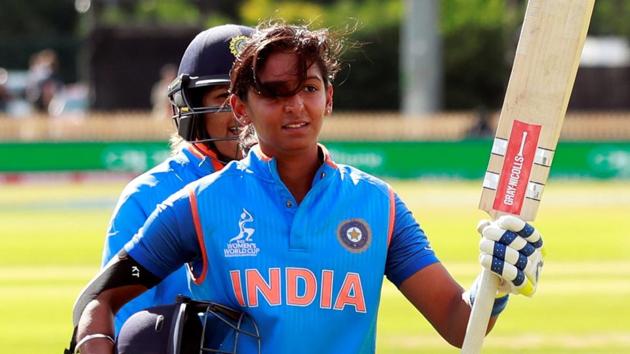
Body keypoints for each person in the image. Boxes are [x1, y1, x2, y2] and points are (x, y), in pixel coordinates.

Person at [69, 22, 544, 354]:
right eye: (275, 93)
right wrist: (96, 342)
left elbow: (459, 324)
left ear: (329, 98)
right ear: (242, 107)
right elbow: (100, 298)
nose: (295, 106)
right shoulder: (196, 204)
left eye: (309, 89)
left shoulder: (378, 205)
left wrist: (495, 284)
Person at [99, 24, 255, 336]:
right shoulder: (147, 197)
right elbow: (123, 325)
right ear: (192, 107)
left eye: (257, 94)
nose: (242, 112)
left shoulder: (298, 188)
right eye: (224, 96)